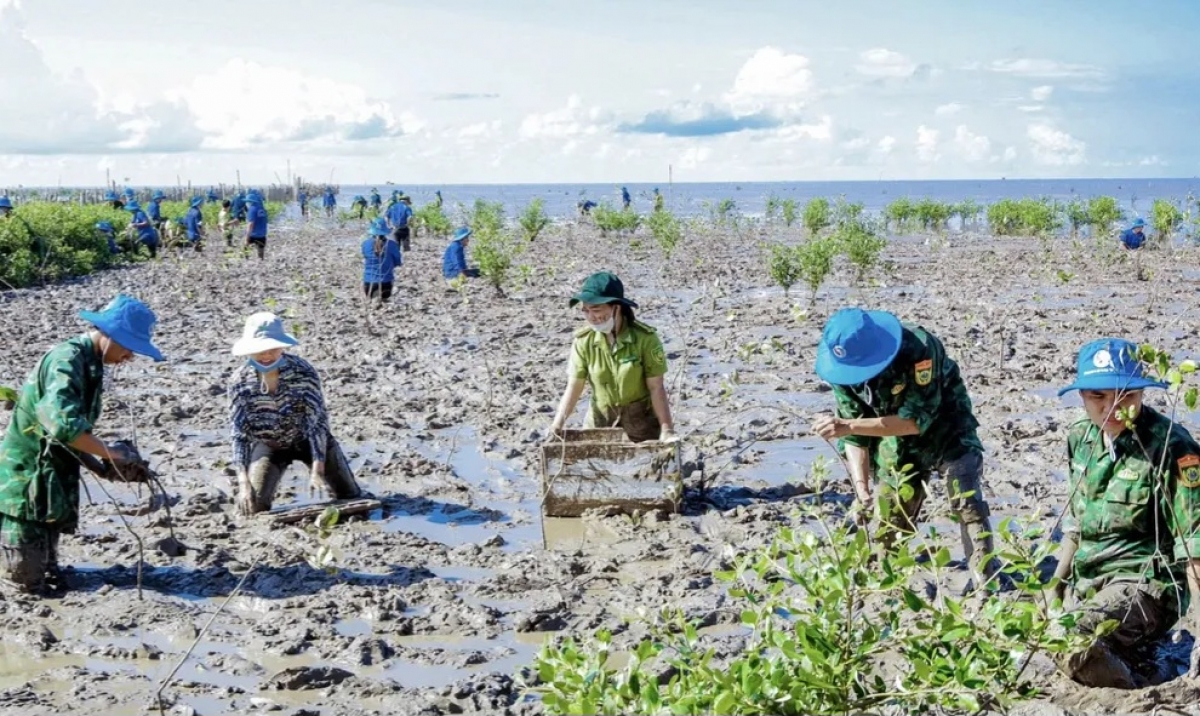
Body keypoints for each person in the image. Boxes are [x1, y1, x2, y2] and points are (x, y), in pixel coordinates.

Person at [1051, 339, 1200, 688]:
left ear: (1142, 395)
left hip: (1147, 585)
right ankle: (1131, 655)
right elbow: (1077, 522)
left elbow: (1194, 544)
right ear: (1082, 396)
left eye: (1126, 396)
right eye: (1098, 397)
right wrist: (1054, 585)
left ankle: (1139, 684)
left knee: (1071, 641)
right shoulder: (1080, 438)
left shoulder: (1171, 446)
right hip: (1090, 580)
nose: (1112, 408)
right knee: (1032, 632)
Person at [811, 308, 998, 585]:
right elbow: (853, 434)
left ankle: (986, 583)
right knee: (888, 518)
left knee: (967, 504)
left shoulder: (919, 348)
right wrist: (862, 487)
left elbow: (914, 421)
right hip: (893, 439)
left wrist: (847, 426)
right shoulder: (843, 369)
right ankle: (884, 585)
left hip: (946, 427)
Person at [0, 295, 162, 594]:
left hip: (51, 476)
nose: (130, 357)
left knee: (48, 566)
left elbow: (73, 437)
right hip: (28, 474)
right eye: (129, 347)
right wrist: (114, 453)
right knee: (23, 582)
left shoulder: (91, 363)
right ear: (110, 335)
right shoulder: (67, 360)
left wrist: (103, 467)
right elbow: (64, 427)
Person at [228, 313, 364, 515]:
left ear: (282, 347)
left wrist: (317, 468)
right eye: (259, 350)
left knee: (351, 496)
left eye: (272, 349)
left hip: (307, 439)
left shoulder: (303, 371)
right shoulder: (239, 382)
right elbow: (239, 434)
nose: (266, 355)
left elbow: (317, 422)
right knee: (252, 507)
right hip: (270, 444)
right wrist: (243, 482)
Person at [548, 272, 676, 444]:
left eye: (596, 310)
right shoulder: (584, 341)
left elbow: (656, 387)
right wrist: (557, 425)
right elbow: (574, 386)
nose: (591, 317)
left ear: (617, 307)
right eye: (586, 311)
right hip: (600, 419)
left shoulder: (645, 339)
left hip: (641, 420)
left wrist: (667, 430)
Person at [361, 218, 403, 303]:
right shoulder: (392, 245)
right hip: (386, 284)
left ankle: (370, 300)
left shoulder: (365, 244)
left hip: (369, 284)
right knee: (384, 301)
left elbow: (366, 257)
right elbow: (398, 262)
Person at [244, 191, 268, 260]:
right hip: (262, 235)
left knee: (245, 245)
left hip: (253, 235)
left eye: (247, 201)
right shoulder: (262, 209)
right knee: (261, 253)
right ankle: (261, 261)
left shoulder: (252, 209)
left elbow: (250, 224)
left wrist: (247, 237)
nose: (247, 203)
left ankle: (246, 259)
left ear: (251, 201)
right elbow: (265, 221)